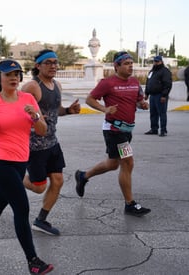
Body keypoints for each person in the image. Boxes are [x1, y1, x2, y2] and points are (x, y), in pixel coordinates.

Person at [0, 59, 54, 274]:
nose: (14, 77)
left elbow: (42, 131)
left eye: (17, 74)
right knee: (21, 208)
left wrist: (35, 117)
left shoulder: (29, 99)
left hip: (20, 162)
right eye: (8, 74)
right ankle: (33, 260)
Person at [74, 51, 151, 217]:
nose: (130, 66)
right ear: (116, 66)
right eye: (126, 63)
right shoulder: (107, 83)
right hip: (114, 130)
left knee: (112, 164)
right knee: (127, 162)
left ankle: (83, 176)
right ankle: (130, 204)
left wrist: (142, 104)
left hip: (127, 130)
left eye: (132, 63)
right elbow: (90, 99)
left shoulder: (135, 82)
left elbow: (138, 101)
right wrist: (104, 109)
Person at [22, 49, 80, 236]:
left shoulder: (57, 85)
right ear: (38, 66)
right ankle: (14, 177)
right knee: (39, 187)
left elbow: (57, 111)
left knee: (58, 180)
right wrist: (34, 118)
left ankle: (41, 220)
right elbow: (17, 109)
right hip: (35, 146)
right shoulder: (32, 87)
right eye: (48, 62)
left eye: (56, 62)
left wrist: (69, 111)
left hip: (52, 142)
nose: (54, 66)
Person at [144, 55, 172, 137]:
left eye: (157, 61)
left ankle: (163, 130)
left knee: (162, 113)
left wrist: (164, 95)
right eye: (154, 61)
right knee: (153, 113)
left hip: (160, 95)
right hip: (152, 95)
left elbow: (167, 84)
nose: (156, 63)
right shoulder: (152, 71)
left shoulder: (165, 71)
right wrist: (146, 93)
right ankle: (154, 129)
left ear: (161, 62)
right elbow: (148, 82)